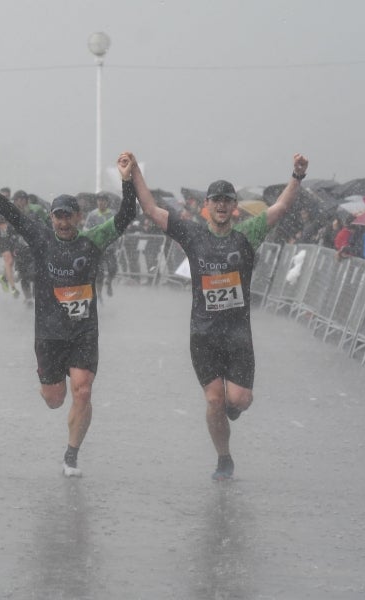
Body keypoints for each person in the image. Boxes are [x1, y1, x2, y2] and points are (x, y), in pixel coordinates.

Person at [125, 151, 308, 481]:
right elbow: (151, 209)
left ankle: (232, 409)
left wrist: (296, 176)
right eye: (216, 201)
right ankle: (224, 458)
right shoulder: (193, 235)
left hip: (238, 336)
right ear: (206, 206)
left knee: (239, 399)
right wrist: (135, 171)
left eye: (227, 201)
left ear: (234, 206)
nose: (222, 206)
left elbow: (279, 209)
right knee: (213, 401)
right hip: (204, 336)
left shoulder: (247, 234)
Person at [0, 155, 137, 477]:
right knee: (54, 399)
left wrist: (127, 181)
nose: (62, 222)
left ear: (78, 217)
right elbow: (8, 211)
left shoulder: (93, 240)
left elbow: (127, 214)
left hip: (83, 331)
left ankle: (71, 455)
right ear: (51, 218)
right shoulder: (41, 237)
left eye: (68, 216)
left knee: (83, 389)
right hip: (48, 333)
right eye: (57, 216)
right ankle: (51, 387)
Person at [84, 192, 119, 296]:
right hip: (97, 248)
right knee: (99, 273)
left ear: (107, 202)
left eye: (103, 201)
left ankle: (109, 282)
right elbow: (86, 229)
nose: (100, 203)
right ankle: (99, 295)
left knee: (113, 268)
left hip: (110, 247)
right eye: (99, 200)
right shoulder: (92, 214)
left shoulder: (112, 214)